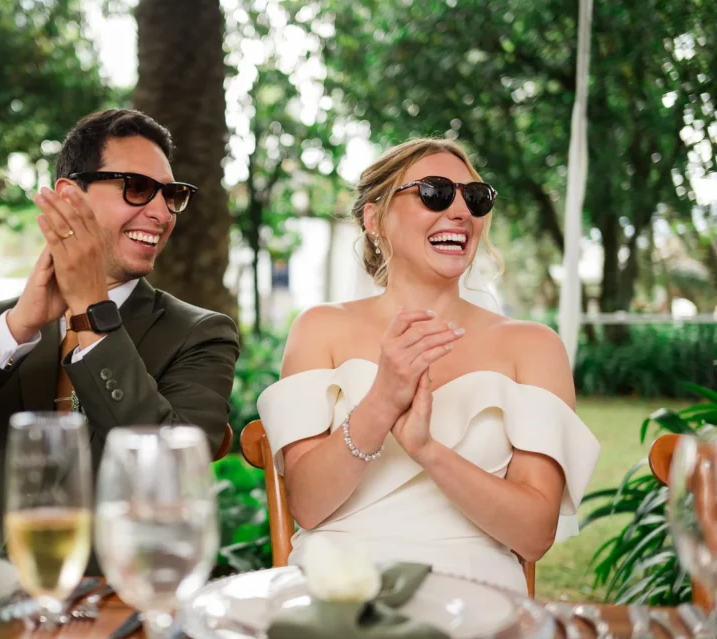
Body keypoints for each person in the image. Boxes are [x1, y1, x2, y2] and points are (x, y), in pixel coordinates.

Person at [0, 109, 240, 564]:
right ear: (71, 195)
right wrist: (17, 329)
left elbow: (175, 477)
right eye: (137, 189)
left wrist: (93, 314)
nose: (160, 213)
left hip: (124, 599)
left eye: (171, 195)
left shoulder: (201, 334)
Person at [256, 138, 599, 594]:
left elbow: (535, 536)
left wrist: (427, 449)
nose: (460, 212)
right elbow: (309, 505)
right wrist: (381, 401)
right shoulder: (320, 329)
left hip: (478, 595)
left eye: (475, 199)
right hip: (336, 591)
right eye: (435, 192)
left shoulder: (533, 347)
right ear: (374, 218)